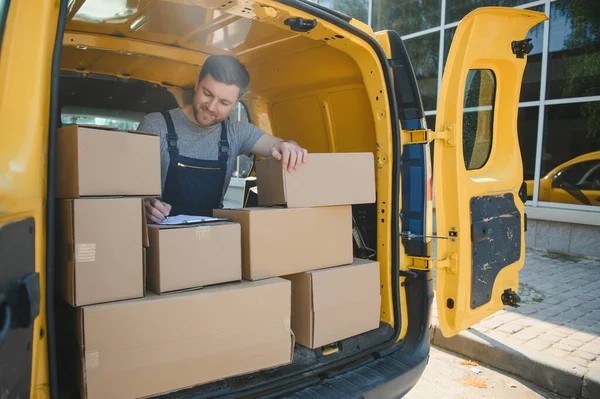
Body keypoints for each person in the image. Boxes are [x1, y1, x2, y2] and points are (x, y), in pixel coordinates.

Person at [138, 55, 308, 223]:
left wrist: (290, 147)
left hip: (215, 237)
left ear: (235, 103)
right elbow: (128, 192)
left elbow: (279, 145)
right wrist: (144, 205)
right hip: (161, 239)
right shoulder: (155, 125)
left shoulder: (236, 133)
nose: (211, 107)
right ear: (197, 82)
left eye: (224, 102)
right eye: (207, 93)